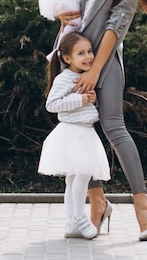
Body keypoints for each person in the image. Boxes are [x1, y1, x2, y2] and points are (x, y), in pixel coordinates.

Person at [56, 0, 147, 241]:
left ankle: (143, 209)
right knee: (78, 126)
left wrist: (95, 71)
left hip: (104, 58)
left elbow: (118, 24)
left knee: (115, 128)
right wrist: (60, 11)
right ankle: (97, 202)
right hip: (75, 54)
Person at [38, 32, 110, 240]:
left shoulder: (86, 77)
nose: (88, 56)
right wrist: (81, 100)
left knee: (73, 179)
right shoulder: (64, 78)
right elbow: (52, 105)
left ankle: (71, 223)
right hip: (71, 132)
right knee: (83, 171)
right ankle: (80, 217)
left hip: (86, 132)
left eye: (89, 51)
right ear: (67, 58)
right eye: (81, 53)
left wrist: (92, 101)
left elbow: (86, 107)